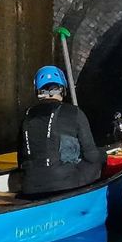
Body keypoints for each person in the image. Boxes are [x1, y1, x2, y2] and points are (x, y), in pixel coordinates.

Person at [17, 65, 102, 197]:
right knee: (97, 161)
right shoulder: (75, 113)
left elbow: (21, 159)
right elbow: (92, 156)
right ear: (63, 90)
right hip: (64, 184)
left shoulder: (27, 115)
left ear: (37, 91)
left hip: (30, 186)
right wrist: (103, 155)